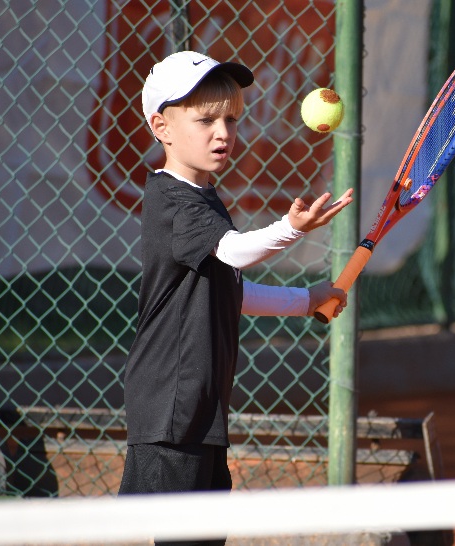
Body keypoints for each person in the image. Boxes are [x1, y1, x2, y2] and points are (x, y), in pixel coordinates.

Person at [118, 50, 353, 545]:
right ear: (162, 126)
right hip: (171, 409)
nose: (223, 132)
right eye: (205, 119)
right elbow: (237, 253)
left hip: (198, 408)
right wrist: (292, 227)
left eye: (231, 119)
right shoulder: (174, 200)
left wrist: (305, 299)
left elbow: (231, 288)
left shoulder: (204, 198)